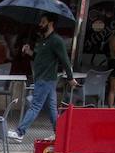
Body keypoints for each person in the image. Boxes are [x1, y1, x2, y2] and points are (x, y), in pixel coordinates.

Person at [9, 13, 76, 141]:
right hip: (44, 79)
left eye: (43, 22)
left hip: (46, 79)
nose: (40, 24)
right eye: (40, 22)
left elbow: (65, 60)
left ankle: (20, 132)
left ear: (51, 23)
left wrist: (70, 78)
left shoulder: (56, 40)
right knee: (51, 108)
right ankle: (59, 133)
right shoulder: (43, 40)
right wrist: (29, 52)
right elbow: (39, 58)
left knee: (35, 106)